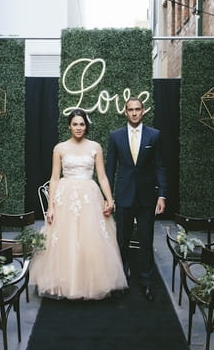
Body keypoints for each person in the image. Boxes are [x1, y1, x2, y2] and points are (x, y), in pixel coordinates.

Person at [29, 108, 128, 300]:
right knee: (65, 240)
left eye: (82, 124)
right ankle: (62, 284)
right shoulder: (59, 148)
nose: (78, 127)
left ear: (86, 126)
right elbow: (55, 178)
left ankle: (90, 284)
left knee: (91, 240)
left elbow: (102, 176)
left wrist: (110, 199)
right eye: (75, 124)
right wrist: (51, 206)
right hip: (65, 197)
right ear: (69, 126)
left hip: (89, 196)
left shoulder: (95, 147)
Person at [105, 97, 167, 301]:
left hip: (147, 197)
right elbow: (110, 169)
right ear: (125, 112)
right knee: (122, 240)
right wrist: (108, 198)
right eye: (130, 109)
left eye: (137, 109)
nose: (134, 113)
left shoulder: (154, 135)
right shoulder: (115, 136)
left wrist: (162, 195)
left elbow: (159, 166)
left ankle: (147, 282)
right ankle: (122, 280)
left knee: (146, 241)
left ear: (143, 111)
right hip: (124, 195)